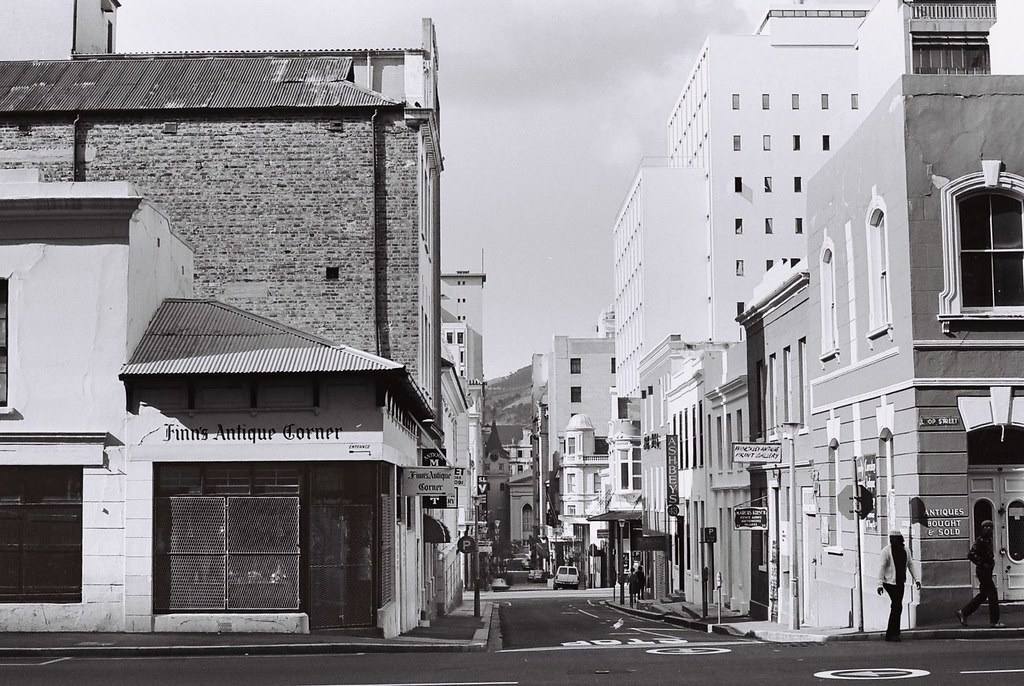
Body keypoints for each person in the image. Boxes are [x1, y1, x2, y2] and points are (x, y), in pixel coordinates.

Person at [957, 520, 1005, 628]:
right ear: (982, 529)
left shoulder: (988, 540)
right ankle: (995, 621)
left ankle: (963, 612)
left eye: (990, 527)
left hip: (986, 571)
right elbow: (970, 554)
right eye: (986, 527)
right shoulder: (980, 540)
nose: (988, 529)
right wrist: (982, 563)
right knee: (993, 594)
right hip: (983, 571)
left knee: (983, 595)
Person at [876, 530, 920, 642]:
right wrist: (880, 584)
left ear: (900, 539)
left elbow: (911, 564)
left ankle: (893, 632)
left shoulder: (906, 551)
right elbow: (881, 567)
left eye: (895, 539)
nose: (893, 542)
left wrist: (917, 579)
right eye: (891, 539)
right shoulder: (886, 551)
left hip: (900, 582)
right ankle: (892, 633)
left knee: (898, 607)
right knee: (896, 606)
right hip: (889, 583)